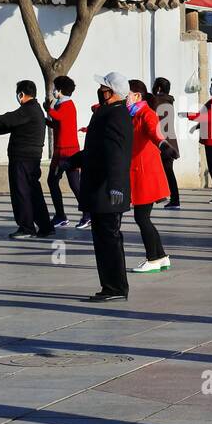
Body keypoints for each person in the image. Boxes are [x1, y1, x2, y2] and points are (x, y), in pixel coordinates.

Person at [71, 73, 134, 301]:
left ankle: (116, 288)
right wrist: (73, 161)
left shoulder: (116, 115)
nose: (100, 89)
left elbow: (117, 154)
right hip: (99, 188)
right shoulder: (105, 113)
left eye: (103, 87)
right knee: (102, 239)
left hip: (108, 190)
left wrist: (116, 186)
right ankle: (109, 286)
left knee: (110, 239)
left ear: (113, 92)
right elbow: (96, 150)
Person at [0, 79, 53, 239]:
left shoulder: (28, 109)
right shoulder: (35, 110)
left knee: (22, 192)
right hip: (31, 158)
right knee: (33, 193)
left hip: (22, 159)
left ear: (21, 94)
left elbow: (9, 118)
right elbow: (11, 126)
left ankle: (26, 228)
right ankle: (45, 226)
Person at [127, 79, 171, 273]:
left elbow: (154, 132)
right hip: (139, 172)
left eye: (127, 94)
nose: (124, 97)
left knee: (141, 217)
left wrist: (162, 144)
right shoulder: (131, 114)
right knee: (143, 218)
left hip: (146, 174)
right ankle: (161, 256)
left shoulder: (146, 113)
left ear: (137, 95)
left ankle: (152, 258)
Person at [46, 75, 87, 228]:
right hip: (62, 151)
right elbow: (57, 124)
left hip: (66, 152)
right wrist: (47, 119)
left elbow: (59, 117)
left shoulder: (67, 105)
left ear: (61, 90)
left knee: (72, 184)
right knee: (65, 182)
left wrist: (48, 109)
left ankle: (74, 214)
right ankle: (62, 215)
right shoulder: (60, 105)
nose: (54, 91)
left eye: (55, 88)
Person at [149, 76, 181, 209]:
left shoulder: (157, 101)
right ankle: (171, 198)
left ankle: (171, 198)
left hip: (162, 141)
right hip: (170, 140)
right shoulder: (168, 100)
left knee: (163, 170)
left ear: (159, 88)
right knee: (166, 170)